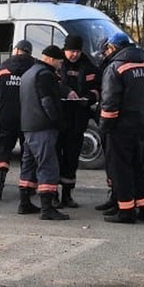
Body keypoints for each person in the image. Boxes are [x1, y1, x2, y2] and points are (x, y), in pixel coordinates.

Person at [99, 32, 144, 224]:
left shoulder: (116, 67)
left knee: (121, 169)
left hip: (121, 127)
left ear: (113, 48)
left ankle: (126, 211)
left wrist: (105, 127)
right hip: (142, 125)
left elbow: (110, 102)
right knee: (138, 167)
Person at [19, 45, 74, 221]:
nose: (60, 65)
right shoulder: (45, 75)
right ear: (51, 59)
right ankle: (47, 208)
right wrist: (58, 121)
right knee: (48, 165)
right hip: (43, 126)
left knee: (29, 165)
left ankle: (24, 202)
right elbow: (47, 101)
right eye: (59, 62)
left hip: (28, 125)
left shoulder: (28, 73)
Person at [56, 33, 99, 208]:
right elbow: (50, 83)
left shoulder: (89, 66)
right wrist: (66, 91)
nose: (74, 54)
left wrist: (88, 98)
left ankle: (67, 194)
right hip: (58, 118)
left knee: (72, 158)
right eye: (71, 51)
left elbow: (97, 89)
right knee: (55, 157)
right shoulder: (57, 64)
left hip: (78, 119)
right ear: (65, 50)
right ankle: (52, 194)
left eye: (77, 51)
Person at [0, 40, 34, 201]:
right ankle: (26, 187)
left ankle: (0, 182)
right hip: (27, 116)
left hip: (6, 114)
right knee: (27, 151)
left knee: (3, 148)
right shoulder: (34, 68)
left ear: (16, 50)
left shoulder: (3, 68)